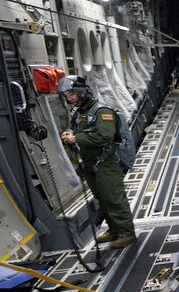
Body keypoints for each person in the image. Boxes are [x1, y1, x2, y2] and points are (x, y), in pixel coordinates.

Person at [57, 75, 137, 249]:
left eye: (71, 94)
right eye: (67, 95)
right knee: (101, 198)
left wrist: (76, 138)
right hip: (91, 164)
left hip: (106, 163)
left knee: (114, 198)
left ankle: (127, 233)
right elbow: (76, 127)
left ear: (80, 91)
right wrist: (68, 132)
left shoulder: (102, 112)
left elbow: (104, 136)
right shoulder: (79, 112)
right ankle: (114, 230)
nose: (69, 98)